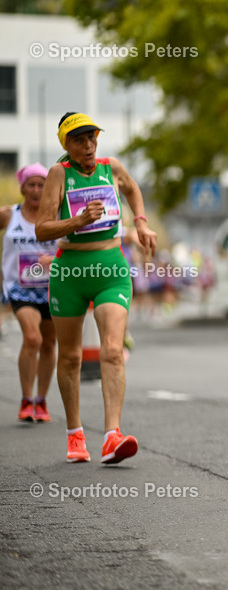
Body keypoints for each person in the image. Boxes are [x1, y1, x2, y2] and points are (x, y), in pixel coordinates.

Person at [36, 112, 157, 463]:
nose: (88, 145)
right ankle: (75, 434)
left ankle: (111, 436)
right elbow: (41, 229)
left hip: (111, 268)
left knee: (113, 351)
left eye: (92, 137)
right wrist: (78, 220)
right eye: (79, 140)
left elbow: (132, 188)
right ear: (67, 145)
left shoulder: (111, 166)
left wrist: (142, 222)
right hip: (70, 272)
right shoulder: (59, 175)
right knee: (71, 356)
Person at [2, 164, 59, 422]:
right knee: (33, 338)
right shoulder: (8, 215)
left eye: (41, 184)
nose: (36, 190)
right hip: (20, 288)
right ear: (23, 187)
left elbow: (76, 245)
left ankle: (42, 401)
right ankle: (26, 400)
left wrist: (56, 257)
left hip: (53, 287)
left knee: (49, 343)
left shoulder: (58, 216)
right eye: (32, 184)